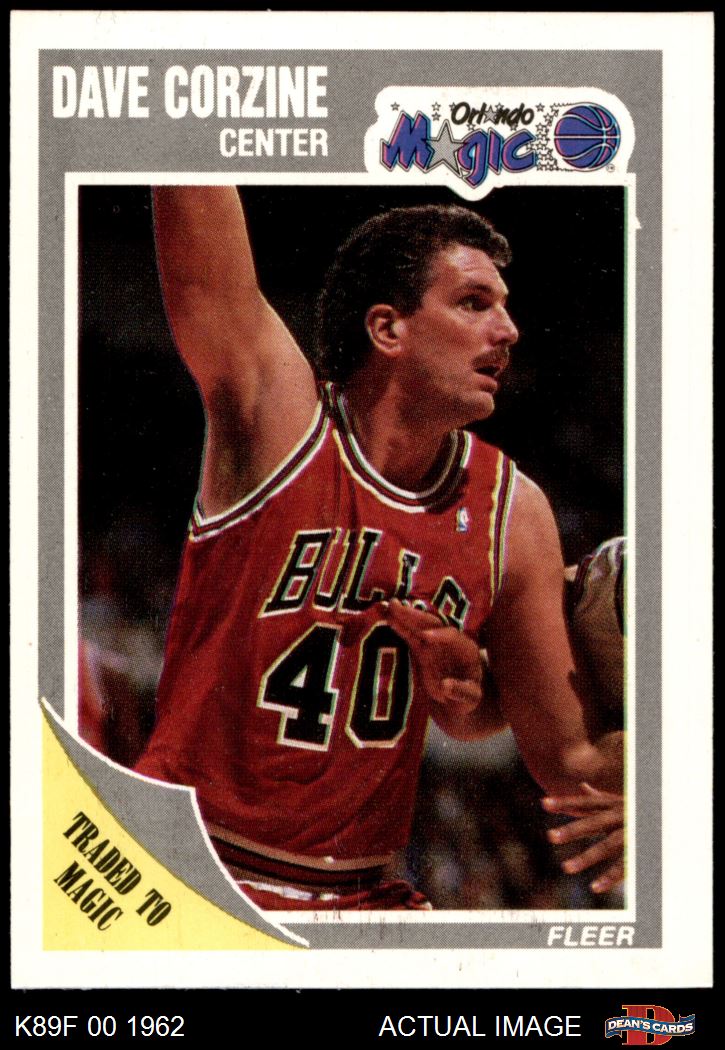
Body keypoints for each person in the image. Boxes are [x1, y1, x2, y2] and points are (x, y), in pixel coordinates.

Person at [134, 187, 623, 910]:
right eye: (474, 303)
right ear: (387, 328)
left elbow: (571, 762)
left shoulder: (513, 513)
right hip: (189, 870)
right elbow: (198, 230)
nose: (509, 329)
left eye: (505, 305)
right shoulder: (281, 422)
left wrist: (666, 774)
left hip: (359, 890)